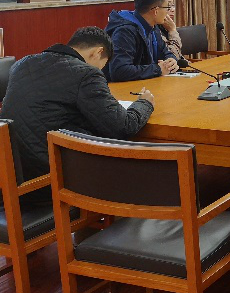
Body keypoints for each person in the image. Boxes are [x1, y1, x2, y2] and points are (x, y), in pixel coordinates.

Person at [0, 27, 154, 202]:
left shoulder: (22, 64)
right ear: (98, 52)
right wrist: (144, 103)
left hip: (12, 177)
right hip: (51, 182)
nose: (101, 71)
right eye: (102, 66)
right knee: (136, 168)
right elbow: (124, 126)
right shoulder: (86, 73)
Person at [105, 0, 179, 81]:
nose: (169, 11)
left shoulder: (153, 26)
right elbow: (119, 71)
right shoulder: (125, 31)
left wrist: (171, 60)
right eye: (168, 7)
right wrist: (158, 69)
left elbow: (165, 52)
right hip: (123, 88)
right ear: (156, 11)